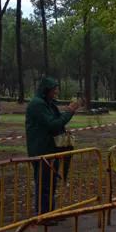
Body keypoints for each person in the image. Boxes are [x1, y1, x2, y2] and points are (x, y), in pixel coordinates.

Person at [25, 77, 81, 222]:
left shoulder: (48, 104)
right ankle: (43, 216)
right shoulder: (38, 105)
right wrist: (70, 111)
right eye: (55, 89)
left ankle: (51, 212)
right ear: (47, 90)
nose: (57, 92)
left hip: (52, 149)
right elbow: (53, 125)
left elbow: (57, 122)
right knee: (43, 183)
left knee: (51, 183)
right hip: (41, 150)